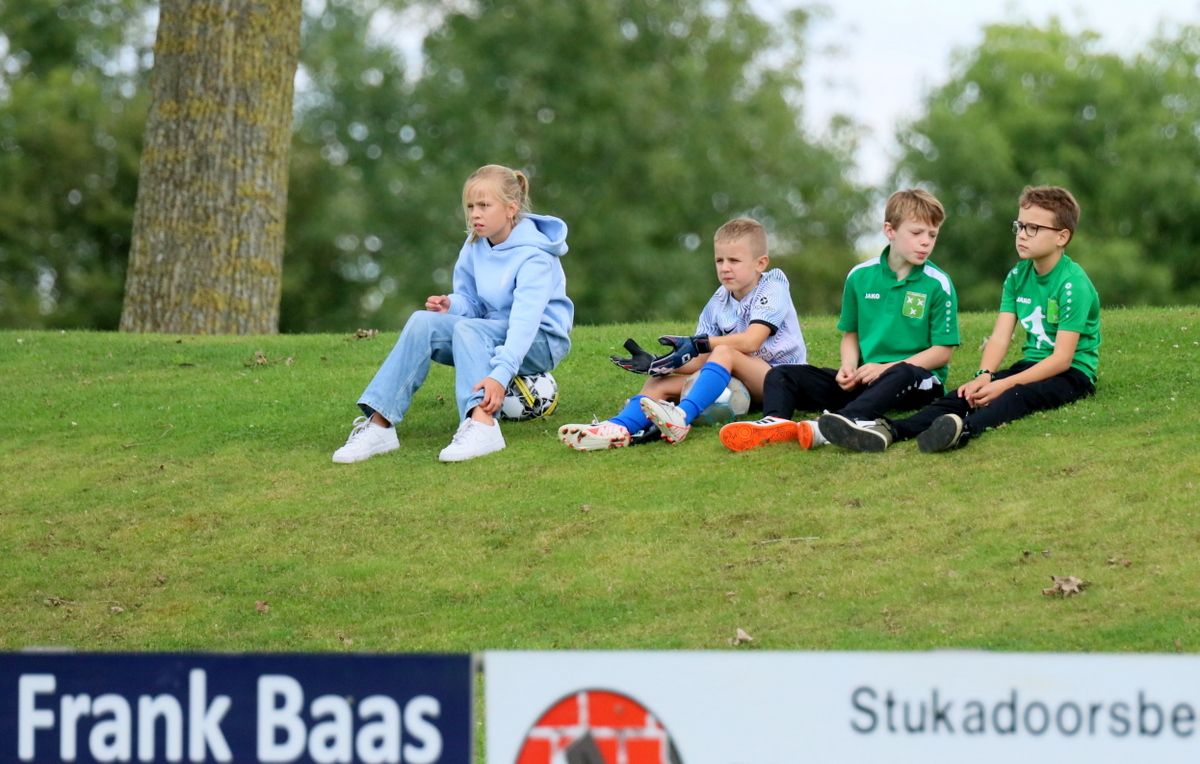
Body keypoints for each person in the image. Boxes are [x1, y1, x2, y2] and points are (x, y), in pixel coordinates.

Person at [820, 185, 1099, 453]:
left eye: (1033, 228)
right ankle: (891, 430)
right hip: (1031, 365)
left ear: (1062, 237)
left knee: (1016, 395)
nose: (1022, 235)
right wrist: (984, 375)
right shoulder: (1017, 276)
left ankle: (962, 431)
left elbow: (1062, 359)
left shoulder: (1072, 284)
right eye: (1020, 226)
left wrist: (1003, 384)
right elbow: (1000, 337)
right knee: (964, 395)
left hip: (1072, 374)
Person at [332, 164, 573, 464]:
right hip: (489, 331)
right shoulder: (475, 245)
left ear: (511, 208)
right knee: (422, 322)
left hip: (541, 340)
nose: (475, 214)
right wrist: (453, 306)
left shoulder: (535, 257)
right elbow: (474, 303)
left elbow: (525, 323)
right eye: (470, 206)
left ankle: (482, 425)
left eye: (484, 206)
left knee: (468, 330)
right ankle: (380, 426)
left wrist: (500, 376)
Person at [719, 189, 959, 452]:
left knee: (902, 372)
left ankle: (838, 423)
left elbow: (942, 352)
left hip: (917, 380)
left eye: (932, 235)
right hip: (867, 378)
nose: (925, 242)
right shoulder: (859, 276)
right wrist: (848, 367)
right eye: (917, 233)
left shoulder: (938, 283)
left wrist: (885, 368)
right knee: (782, 373)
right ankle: (775, 423)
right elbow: (851, 335)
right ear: (890, 231)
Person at [558, 217, 805, 450]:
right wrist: (660, 364)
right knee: (659, 382)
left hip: (778, 382)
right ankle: (616, 428)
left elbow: (751, 341)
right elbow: (701, 358)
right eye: (719, 260)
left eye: (734, 260)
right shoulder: (718, 301)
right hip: (738, 382)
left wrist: (698, 343)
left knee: (724, 351)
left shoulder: (773, 285)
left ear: (760, 263)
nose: (725, 268)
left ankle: (681, 417)